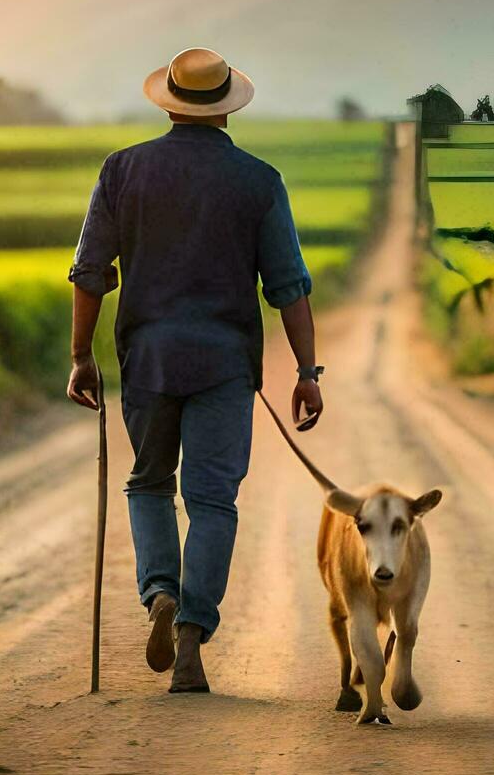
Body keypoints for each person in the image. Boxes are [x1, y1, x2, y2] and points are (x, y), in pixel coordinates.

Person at [66, 47, 324, 694]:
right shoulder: (259, 181)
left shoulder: (122, 171)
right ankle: (189, 630)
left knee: (150, 483)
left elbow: (90, 272)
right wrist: (307, 370)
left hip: (147, 360)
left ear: (170, 102)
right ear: (228, 109)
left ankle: (159, 590)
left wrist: (79, 356)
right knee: (213, 501)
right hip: (225, 366)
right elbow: (288, 286)